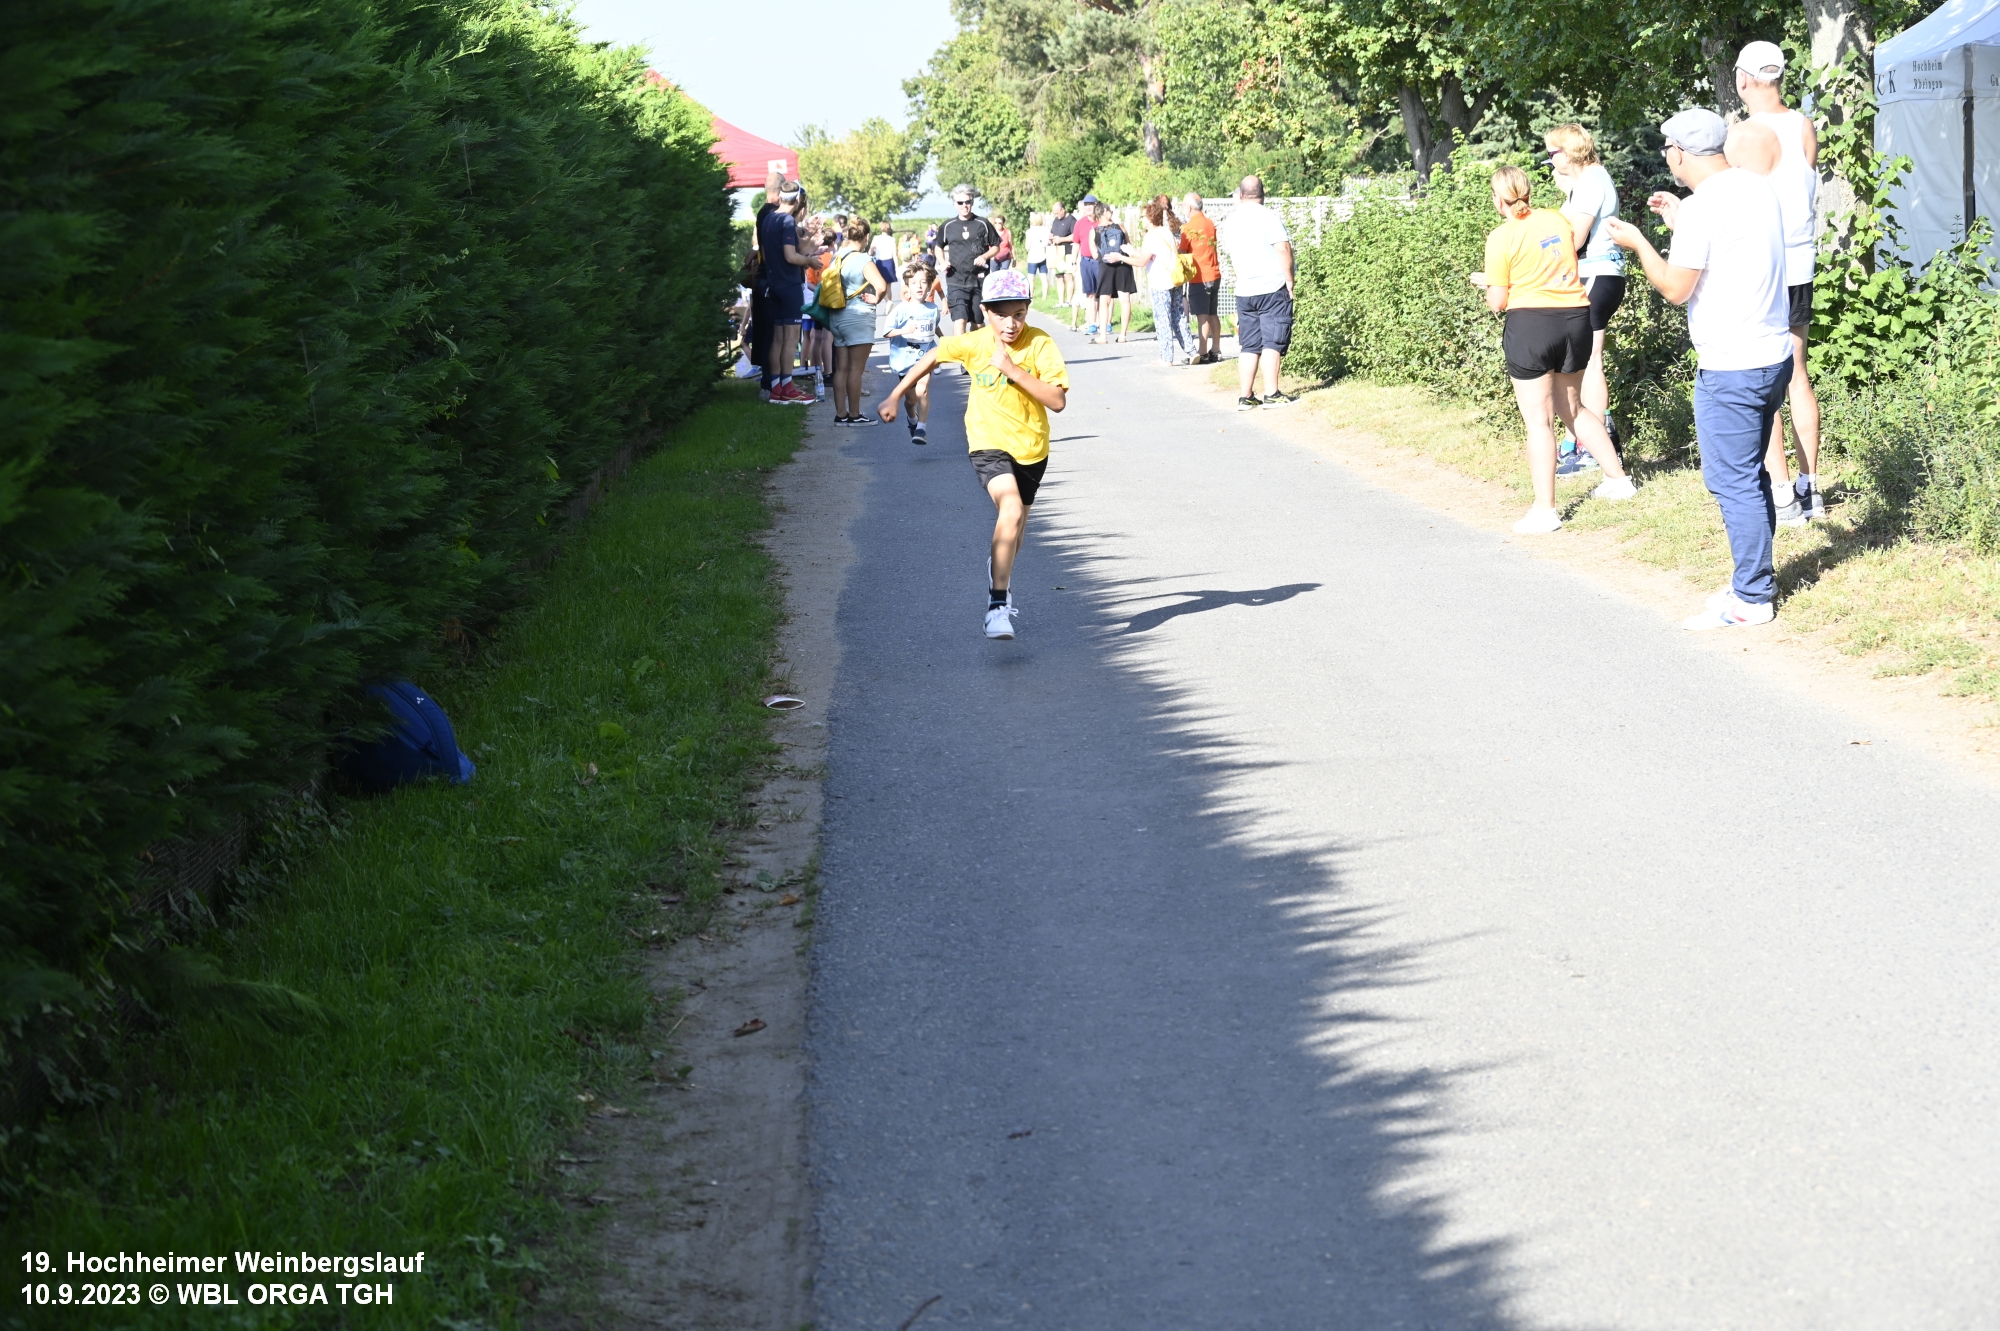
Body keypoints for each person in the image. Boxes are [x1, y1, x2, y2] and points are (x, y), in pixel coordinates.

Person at [1607, 107, 1794, 631]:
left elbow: (1675, 288)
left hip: (1731, 366)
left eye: (1667, 148)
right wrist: (1680, 221)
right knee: (1750, 476)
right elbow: (1730, 251)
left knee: (1733, 482)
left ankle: (1752, 598)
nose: (1667, 156)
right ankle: (1752, 580)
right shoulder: (1756, 187)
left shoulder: (1702, 209)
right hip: (1772, 355)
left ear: (1679, 153)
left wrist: (1640, 242)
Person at [877, 269, 1069, 640]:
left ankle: (1000, 572)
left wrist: (1013, 370)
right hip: (987, 442)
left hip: (1031, 448)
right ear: (985, 311)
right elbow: (934, 355)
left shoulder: (1040, 344)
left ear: (1028, 309)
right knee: (1010, 509)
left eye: (1018, 314)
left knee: (1016, 530)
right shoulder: (975, 342)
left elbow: (1057, 401)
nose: (1010, 324)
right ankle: (997, 607)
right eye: (1001, 314)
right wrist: (896, 395)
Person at [1470, 165, 1637, 533]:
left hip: (1532, 325)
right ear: (1528, 191)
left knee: (1539, 421)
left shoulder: (1500, 236)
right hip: (1575, 318)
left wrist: (1489, 284)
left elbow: (1498, 301)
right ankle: (1619, 481)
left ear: (1498, 200)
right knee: (1573, 409)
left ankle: (1545, 512)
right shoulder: (1558, 220)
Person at [1737, 39, 1824, 524]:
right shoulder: (1803, 125)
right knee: (1798, 374)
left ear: (1744, 80)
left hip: (1763, 269)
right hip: (1801, 263)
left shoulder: (1745, 134)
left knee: (1765, 378)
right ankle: (1812, 488)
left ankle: (1784, 493)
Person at [1544, 124, 1626, 477]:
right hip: (1599, 274)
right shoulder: (1589, 181)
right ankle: (1581, 439)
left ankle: (1595, 448)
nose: (1549, 160)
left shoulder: (1591, 181)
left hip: (1596, 273)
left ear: (1569, 153)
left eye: (1552, 153)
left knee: (1589, 362)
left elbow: (1573, 239)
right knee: (1581, 362)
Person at [1217, 176, 1296, 409]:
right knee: (1273, 341)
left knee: (1250, 344)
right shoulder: (1269, 216)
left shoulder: (1230, 221)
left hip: (1244, 290)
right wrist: (1290, 279)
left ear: (1241, 195)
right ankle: (1271, 394)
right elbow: (1283, 248)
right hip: (1272, 287)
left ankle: (1246, 396)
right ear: (1264, 193)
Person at [756, 180, 823, 405]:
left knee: (777, 339)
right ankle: (788, 388)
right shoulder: (786, 221)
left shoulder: (769, 218)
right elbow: (791, 256)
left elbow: (775, 252)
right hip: (789, 286)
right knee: (791, 339)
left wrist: (809, 238)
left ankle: (776, 388)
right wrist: (810, 261)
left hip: (774, 285)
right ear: (797, 200)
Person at [827, 218, 890, 425]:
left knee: (841, 369)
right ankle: (854, 415)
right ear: (867, 236)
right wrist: (876, 299)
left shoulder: (838, 256)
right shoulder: (863, 260)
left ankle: (840, 414)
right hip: (858, 318)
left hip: (837, 316)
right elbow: (881, 286)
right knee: (856, 369)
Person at [882, 258, 943, 441]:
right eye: (914, 283)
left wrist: (944, 340)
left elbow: (934, 327)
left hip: (925, 357)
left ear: (930, 286)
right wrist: (905, 330)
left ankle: (921, 429)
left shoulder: (933, 309)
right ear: (907, 287)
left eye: (923, 282)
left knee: (922, 390)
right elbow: (887, 332)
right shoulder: (901, 310)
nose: (919, 286)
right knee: (911, 401)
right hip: (905, 360)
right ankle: (912, 419)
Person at [939, 183, 1000, 336]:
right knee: (960, 320)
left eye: (968, 202)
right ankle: (961, 351)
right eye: (960, 202)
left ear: (972, 202)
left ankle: (977, 350)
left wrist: (985, 256)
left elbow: (996, 246)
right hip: (956, 280)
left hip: (979, 281)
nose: (964, 205)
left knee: (977, 323)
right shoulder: (948, 226)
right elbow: (938, 246)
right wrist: (942, 261)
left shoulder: (983, 223)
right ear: (955, 203)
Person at [1137, 201, 1193, 364]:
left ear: (1150, 217)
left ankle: (1166, 357)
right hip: (1174, 279)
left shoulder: (1150, 236)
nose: (1141, 219)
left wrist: (1121, 257)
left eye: (1143, 216)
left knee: (1163, 319)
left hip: (1160, 282)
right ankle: (1191, 351)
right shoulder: (1166, 231)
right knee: (1179, 316)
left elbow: (1141, 261)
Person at [1178, 192, 1223, 363]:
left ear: (1189, 207)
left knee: (1202, 315)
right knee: (1212, 313)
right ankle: (1216, 349)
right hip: (1214, 273)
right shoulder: (1209, 223)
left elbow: (1182, 251)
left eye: (1183, 205)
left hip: (1199, 276)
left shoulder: (1188, 227)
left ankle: (1202, 352)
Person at [1091, 203, 1136, 343]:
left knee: (1104, 301)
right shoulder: (1121, 227)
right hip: (1123, 263)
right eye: (1110, 210)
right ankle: (1123, 335)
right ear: (1105, 211)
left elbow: (1094, 255)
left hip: (1106, 265)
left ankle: (1103, 336)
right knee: (1125, 300)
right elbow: (1129, 246)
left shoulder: (1094, 231)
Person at [1074, 193, 1101, 335]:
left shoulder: (1101, 222)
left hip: (1099, 261)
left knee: (1101, 293)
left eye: (1091, 204)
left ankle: (1102, 322)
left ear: (1096, 205)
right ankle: (1092, 323)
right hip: (1085, 261)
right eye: (1086, 204)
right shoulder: (1080, 223)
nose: (1088, 207)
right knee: (1090, 293)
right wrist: (1073, 261)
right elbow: (1076, 243)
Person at [1049, 201, 1078, 315]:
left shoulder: (1072, 220)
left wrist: (1061, 239)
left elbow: (1075, 236)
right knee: (1059, 277)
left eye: (1057, 212)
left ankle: (1069, 301)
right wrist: (1051, 237)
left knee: (1068, 277)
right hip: (1057, 252)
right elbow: (1052, 232)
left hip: (1068, 252)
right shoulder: (1056, 220)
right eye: (1055, 213)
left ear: (1063, 209)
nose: (1056, 215)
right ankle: (1061, 301)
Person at [1025, 212, 1052, 299]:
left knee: (1031, 278)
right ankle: (1044, 297)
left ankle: (1031, 297)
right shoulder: (1046, 230)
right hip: (1043, 255)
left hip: (1032, 256)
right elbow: (1048, 243)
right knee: (1044, 277)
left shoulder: (1029, 231)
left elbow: (1027, 247)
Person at [871, 222, 901, 301]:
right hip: (889, 262)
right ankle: (889, 302)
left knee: (879, 285)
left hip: (879, 263)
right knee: (888, 287)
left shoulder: (876, 238)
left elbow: (870, 251)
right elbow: (895, 254)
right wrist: (897, 267)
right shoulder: (892, 239)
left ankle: (888, 302)